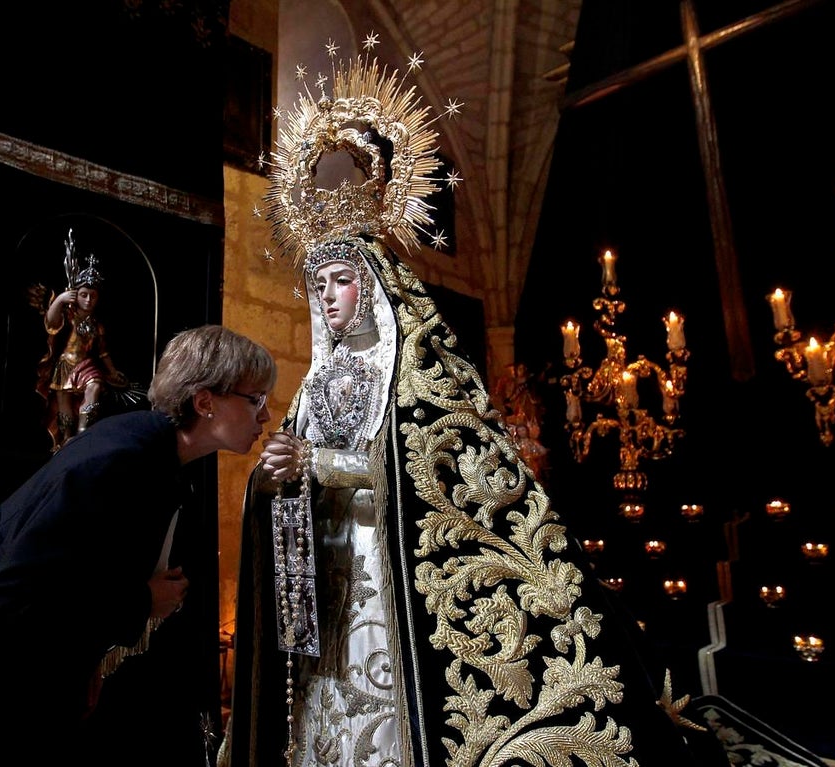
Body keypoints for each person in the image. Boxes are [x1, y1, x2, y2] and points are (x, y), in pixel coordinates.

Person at [222, 39, 728, 767]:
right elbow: (290, 466)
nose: (327, 298)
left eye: (339, 280)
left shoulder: (414, 370)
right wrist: (272, 476)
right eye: (319, 285)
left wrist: (322, 463)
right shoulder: (312, 387)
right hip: (331, 582)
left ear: (373, 283)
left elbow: (428, 474)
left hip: (388, 577)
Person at [0, 324, 275, 767]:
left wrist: (86, 662)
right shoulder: (122, 460)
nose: (266, 416)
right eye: (256, 399)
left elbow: (77, 570)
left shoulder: (149, 451)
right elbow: (18, 590)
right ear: (204, 402)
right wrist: (142, 602)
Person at [34, 229, 129, 452]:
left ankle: (84, 431)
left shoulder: (98, 325)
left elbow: (103, 353)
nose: (88, 300)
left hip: (87, 365)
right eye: (84, 294)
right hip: (66, 364)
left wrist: (113, 372)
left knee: (95, 386)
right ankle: (66, 437)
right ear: (77, 294)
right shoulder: (68, 315)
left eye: (93, 296)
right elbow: (51, 323)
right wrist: (59, 300)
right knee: (64, 399)